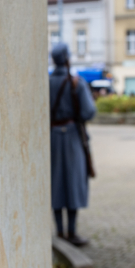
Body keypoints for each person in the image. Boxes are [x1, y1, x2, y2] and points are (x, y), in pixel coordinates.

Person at [49, 43, 97, 247]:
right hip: (73, 138)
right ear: (68, 58)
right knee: (74, 183)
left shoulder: (46, 82)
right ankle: (72, 231)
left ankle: (59, 232)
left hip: (50, 137)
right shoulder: (77, 83)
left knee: (56, 184)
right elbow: (88, 112)